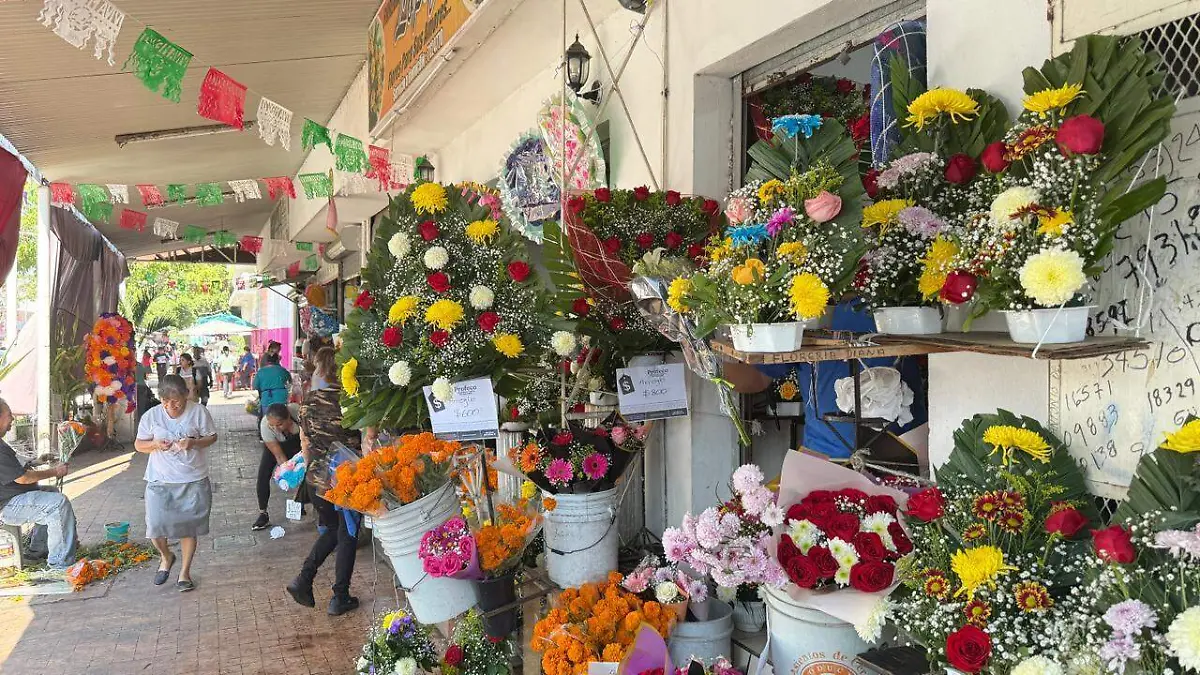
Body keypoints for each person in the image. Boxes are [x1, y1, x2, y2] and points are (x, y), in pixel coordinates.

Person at [133, 375, 217, 592]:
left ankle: (184, 573)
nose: (171, 406)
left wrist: (194, 443)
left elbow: (212, 437)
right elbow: (139, 445)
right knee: (155, 528)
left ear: (186, 395)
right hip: (160, 479)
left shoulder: (198, 412)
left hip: (193, 479)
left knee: (188, 528)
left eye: (176, 401)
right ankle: (166, 556)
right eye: (165, 401)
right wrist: (154, 444)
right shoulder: (151, 416)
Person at [286, 379, 362, 615]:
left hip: (317, 477)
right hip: (345, 476)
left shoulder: (308, 401)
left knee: (331, 529)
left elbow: (305, 443)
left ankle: (304, 578)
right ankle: (340, 596)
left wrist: (310, 470)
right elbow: (367, 435)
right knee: (347, 533)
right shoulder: (352, 398)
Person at [0, 397, 77, 569]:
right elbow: (23, 478)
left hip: (14, 497)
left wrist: (37, 461)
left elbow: (14, 469)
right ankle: (60, 564)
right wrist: (55, 471)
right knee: (58, 505)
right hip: (7, 506)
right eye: (9, 415)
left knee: (52, 493)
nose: (12, 419)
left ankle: (38, 550)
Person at [252, 403, 301, 531]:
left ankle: (302, 503)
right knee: (263, 475)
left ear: (289, 418)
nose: (276, 428)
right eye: (272, 425)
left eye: (279, 424)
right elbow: (279, 456)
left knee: (306, 471)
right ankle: (263, 513)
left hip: (299, 444)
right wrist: (289, 475)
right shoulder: (265, 426)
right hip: (276, 447)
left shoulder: (298, 412)